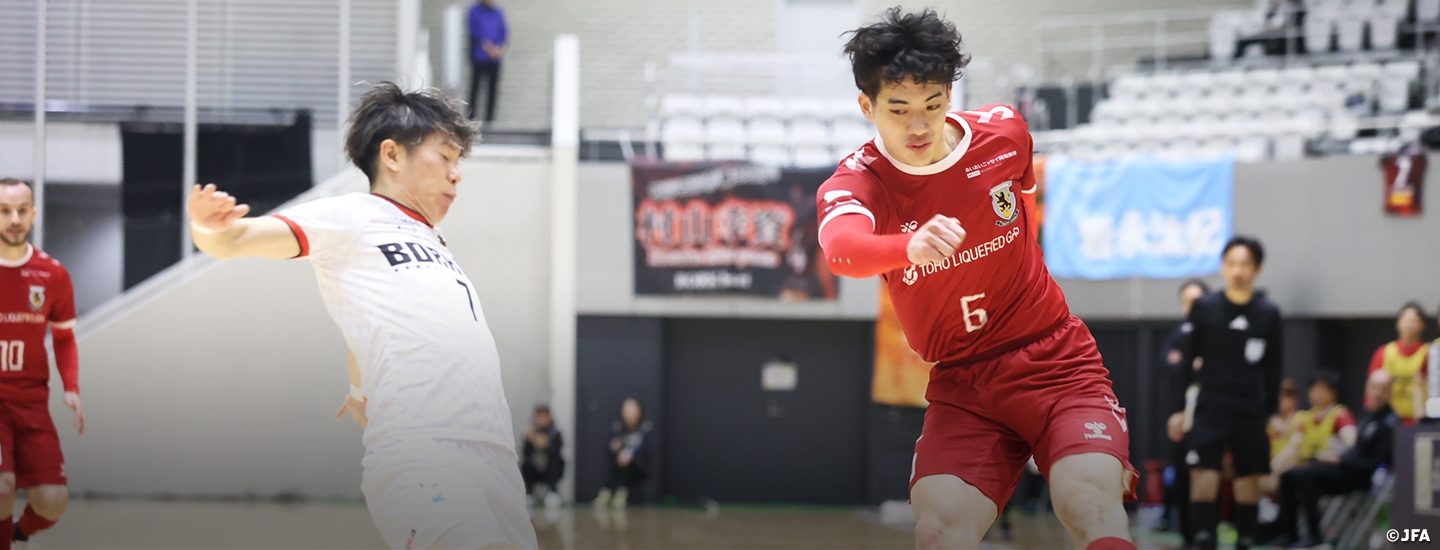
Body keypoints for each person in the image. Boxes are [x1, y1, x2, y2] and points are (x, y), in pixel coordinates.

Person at [818, 9, 1138, 549]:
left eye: (932, 104)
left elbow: (1023, 205)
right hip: (964, 383)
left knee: (1088, 505)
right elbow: (842, 252)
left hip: (1055, 362)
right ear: (867, 106)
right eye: (898, 109)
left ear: (950, 94)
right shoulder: (860, 181)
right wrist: (906, 247)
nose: (918, 126)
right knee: (938, 532)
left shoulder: (1005, 133)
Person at [186, 83, 538, 550]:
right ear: (392, 154)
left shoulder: (435, 242)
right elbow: (234, 241)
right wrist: (206, 226)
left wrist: (358, 394)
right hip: (423, 450)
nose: (457, 176)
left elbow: (368, 331)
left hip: (492, 455)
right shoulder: (350, 216)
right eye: (445, 157)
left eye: (459, 163)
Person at [1174, 236, 1283, 550]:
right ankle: (1204, 539)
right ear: (1223, 267)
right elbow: (1187, 364)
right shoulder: (1205, 307)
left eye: (1245, 264)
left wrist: (1271, 411)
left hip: (1249, 408)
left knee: (1249, 477)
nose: (1238, 271)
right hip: (1210, 404)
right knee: (1204, 473)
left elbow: (1274, 366)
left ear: (1258, 269)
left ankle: (1245, 538)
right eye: (1232, 264)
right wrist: (1179, 409)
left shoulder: (1268, 313)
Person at [0, 178, 84, 550]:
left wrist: (72, 388)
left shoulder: (53, 274)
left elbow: (64, 338)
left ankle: (17, 534)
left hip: (32, 403)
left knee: (53, 501)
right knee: (1, 490)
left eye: (21, 210)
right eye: (4, 211)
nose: (14, 219)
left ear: (33, 215)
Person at [1265, 370, 1399, 548]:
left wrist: (1341, 459)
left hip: (1360, 477)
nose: (1377, 392)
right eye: (1374, 387)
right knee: (1288, 475)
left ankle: (1314, 537)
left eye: (1383, 388)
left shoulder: (1388, 422)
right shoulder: (1366, 417)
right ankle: (1289, 535)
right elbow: (1294, 447)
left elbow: (1372, 460)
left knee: (1307, 476)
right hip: (1339, 466)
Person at [1160, 279, 1208, 546]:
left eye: (1197, 301)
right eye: (1188, 301)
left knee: (1208, 474)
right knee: (1182, 473)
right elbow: (1169, 363)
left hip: (1212, 414)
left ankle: (1207, 533)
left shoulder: (1217, 333)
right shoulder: (1179, 335)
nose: (1193, 306)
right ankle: (1187, 534)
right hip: (1183, 415)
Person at [1367, 302, 1429, 423]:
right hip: (1388, 420)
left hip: (1420, 421)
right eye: (1406, 320)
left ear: (1422, 325)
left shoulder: (1428, 353)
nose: (1409, 325)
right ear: (1398, 323)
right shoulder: (1384, 352)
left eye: (1413, 321)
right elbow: (1371, 389)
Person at [593, 398, 652, 511]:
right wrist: (615, 446)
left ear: (639, 411)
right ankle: (607, 492)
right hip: (618, 464)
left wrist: (631, 453)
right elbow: (611, 443)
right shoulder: (617, 426)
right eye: (627, 410)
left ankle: (621, 492)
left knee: (627, 459)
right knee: (617, 459)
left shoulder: (645, 427)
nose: (629, 414)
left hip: (638, 467)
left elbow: (645, 446)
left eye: (632, 411)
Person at [466, 0, 507, 123]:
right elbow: (475, 33)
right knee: (475, 88)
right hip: (479, 57)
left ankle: (490, 119)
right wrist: (488, 48)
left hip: (494, 59)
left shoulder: (498, 13)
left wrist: (498, 49)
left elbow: (503, 32)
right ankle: (471, 118)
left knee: (492, 89)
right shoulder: (474, 11)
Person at [520, 404, 564, 507]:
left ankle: (553, 492)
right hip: (535, 467)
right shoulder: (531, 433)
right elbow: (525, 453)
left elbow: (556, 451)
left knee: (555, 462)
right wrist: (530, 440)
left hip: (549, 469)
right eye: (539, 416)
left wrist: (546, 445)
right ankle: (529, 494)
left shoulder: (555, 433)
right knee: (526, 465)